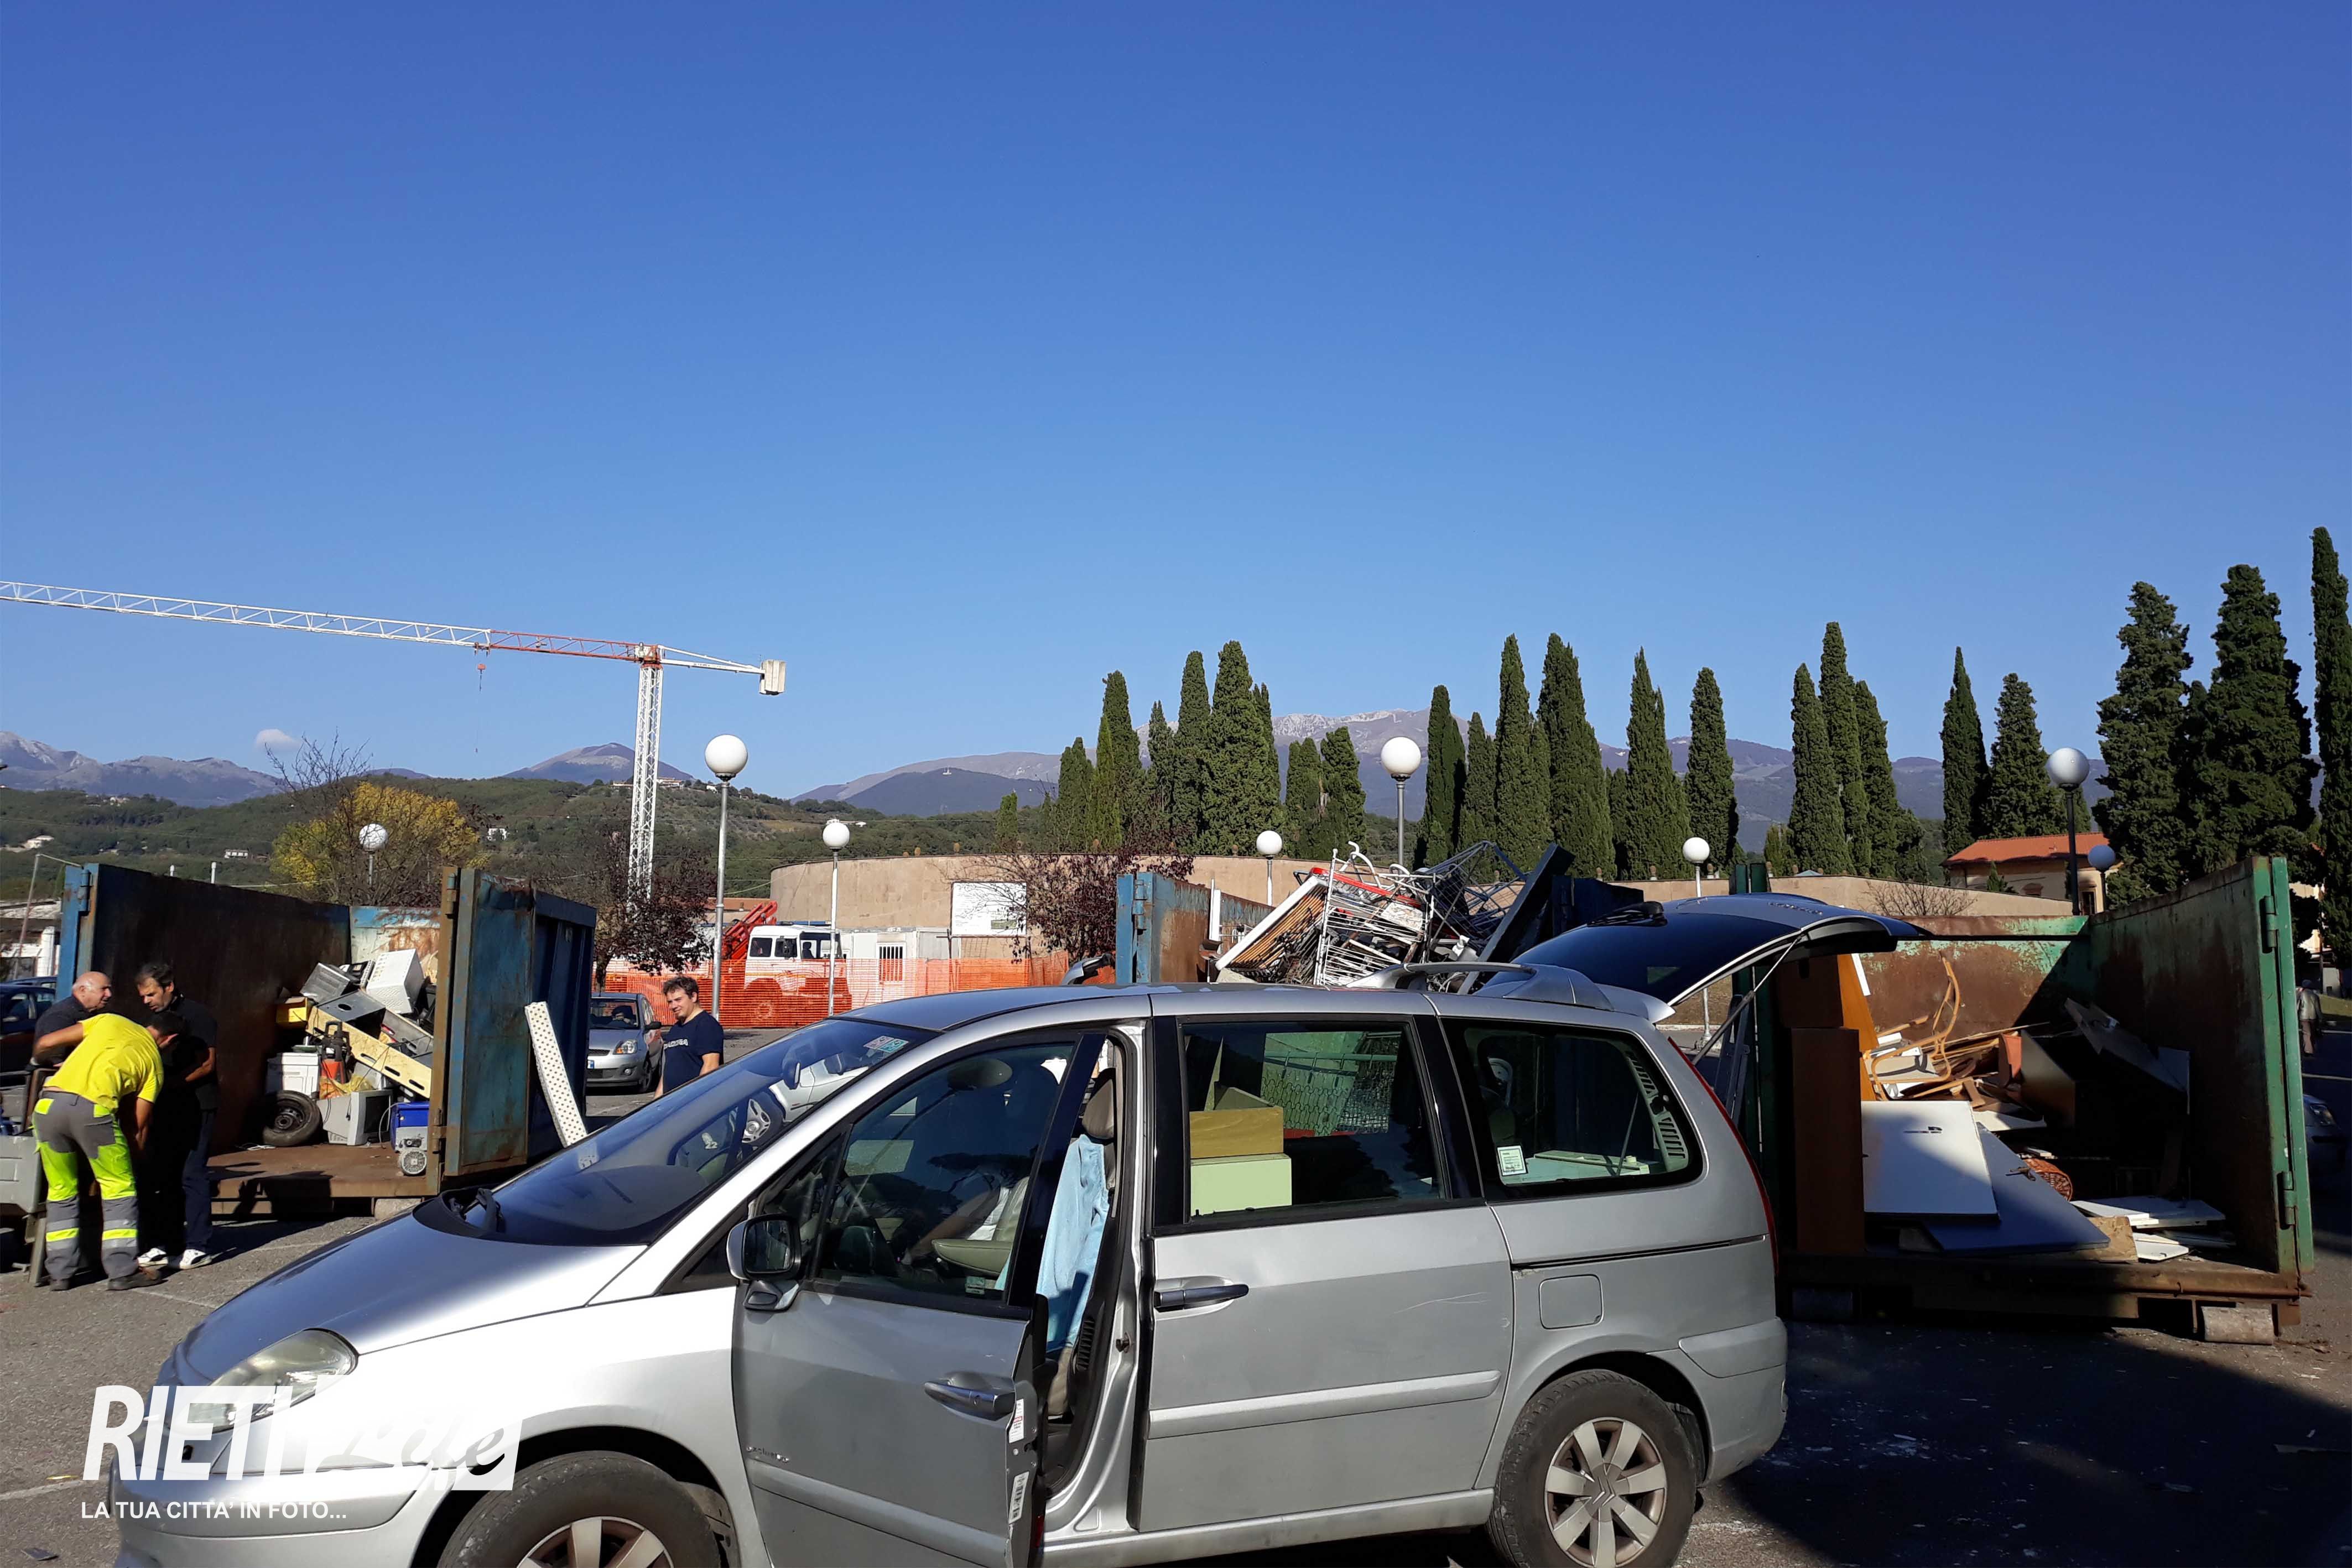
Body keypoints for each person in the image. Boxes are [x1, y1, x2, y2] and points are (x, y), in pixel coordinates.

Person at [35, 1008, 173, 1291]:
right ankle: (122, 1271)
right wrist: (134, 1158)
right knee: (118, 1188)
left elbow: (46, 1042)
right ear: (169, 1040)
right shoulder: (154, 1063)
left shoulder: (109, 1020)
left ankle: (60, 1273)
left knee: (60, 1190)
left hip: (47, 1107)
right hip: (94, 1112)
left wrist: (40, 1061)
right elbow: (137, 1124)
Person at [133, 962, 219, 1269]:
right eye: (143, 997)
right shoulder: (152, 1020)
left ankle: (198, 1245)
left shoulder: (198, 1016)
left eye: (151, 994)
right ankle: (164, 1243)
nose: (147, 1001)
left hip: (197, 1104)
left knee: (191, 1174)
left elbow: (208, 1064)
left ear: (169, 986)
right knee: (164, 1175)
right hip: (166, 1106)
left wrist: (171, 1085)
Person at [649, 978, 724, 1095]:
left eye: (678, 1000)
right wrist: (658, 1101)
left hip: (693, 1101)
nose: (673, 1006)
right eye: (670, 1002)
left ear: (693, 997)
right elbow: (668, 1072)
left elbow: (710, 1067)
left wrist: (694, 1100)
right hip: (672, 1101)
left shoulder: (707, 1025)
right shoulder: (675, 1029)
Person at [32, 971, 112, 1067]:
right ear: (83, 990)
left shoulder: (93, 1014)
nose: (109, 994)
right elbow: (53, 1060)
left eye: (109, 989)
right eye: (103, 989)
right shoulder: (61, 1015)